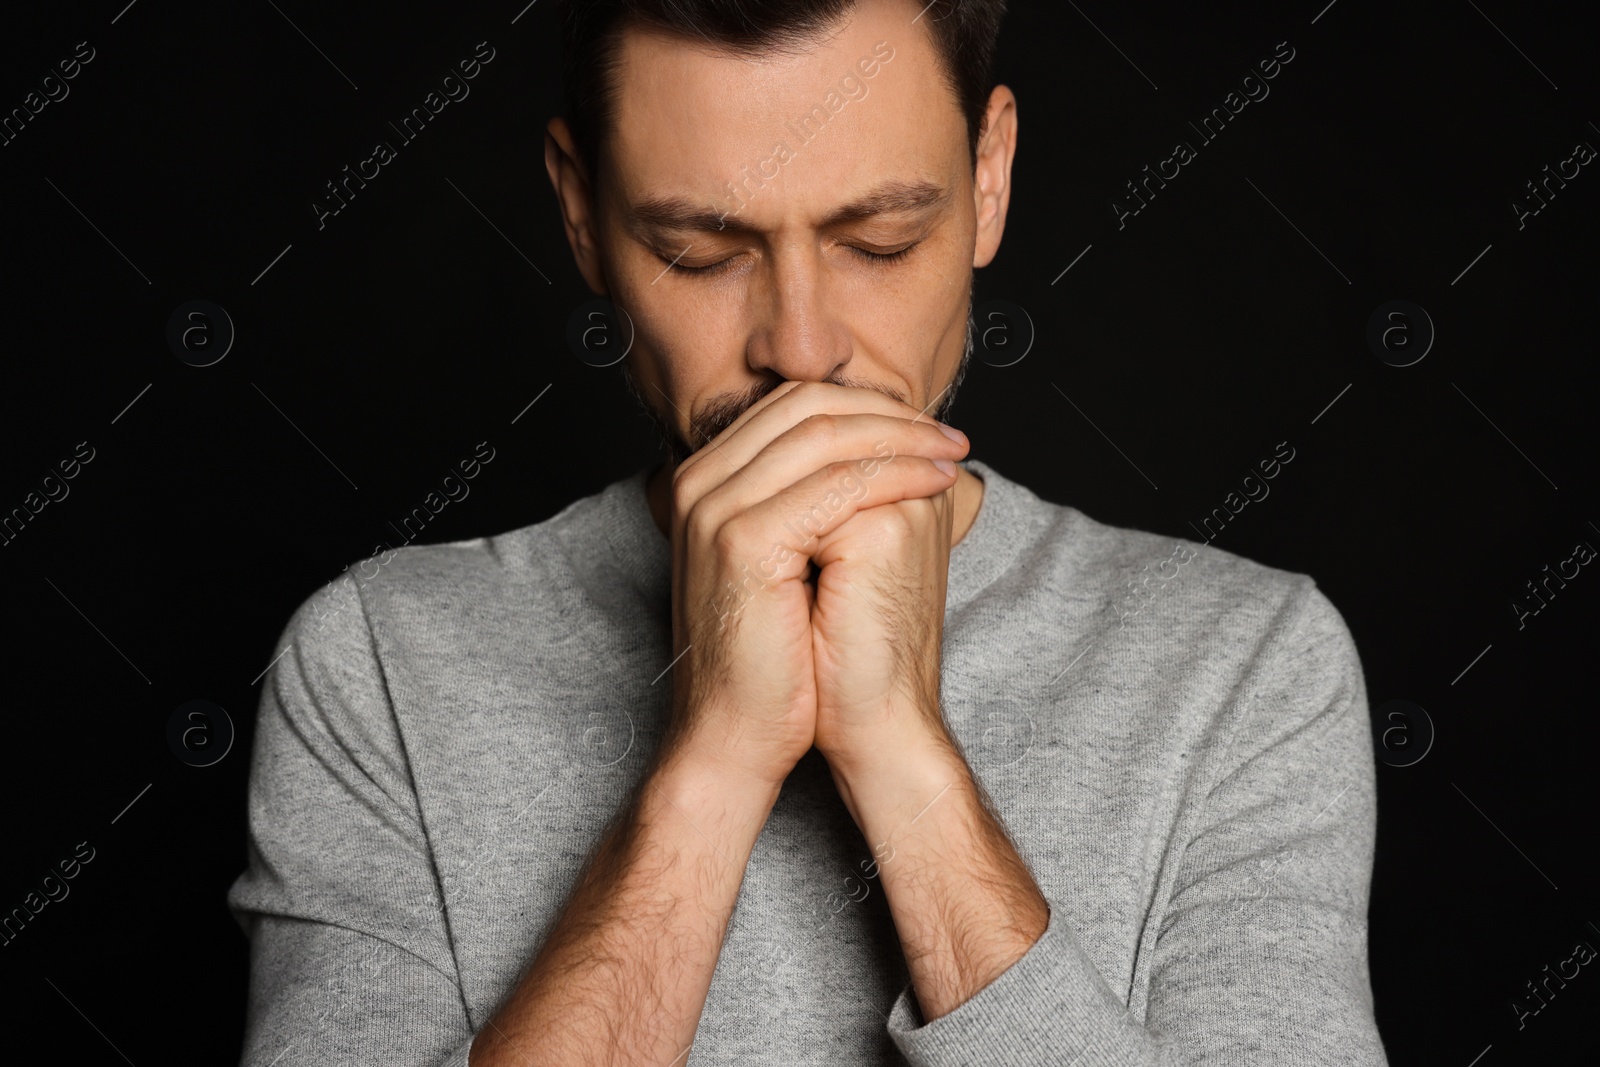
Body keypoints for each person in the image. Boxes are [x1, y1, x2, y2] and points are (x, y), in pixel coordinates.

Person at [227, 1, 1389, 1063]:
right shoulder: (376, 662)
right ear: (581, 214)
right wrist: (714, 759)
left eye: (877, 241)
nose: (798, 345)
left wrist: (899, 750)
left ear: (987, 178)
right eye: (700, 250)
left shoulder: (1246, 664)